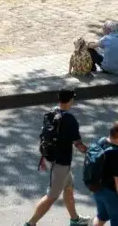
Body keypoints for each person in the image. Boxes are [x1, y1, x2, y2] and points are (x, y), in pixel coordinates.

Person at [26, 89, 87, 226]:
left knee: (68, 188)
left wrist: (43, 157)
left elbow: (45, 136)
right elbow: (78, 144)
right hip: (60, 163)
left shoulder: (49, 114)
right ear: (70, 100)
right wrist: (92, 151)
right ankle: (30, 223)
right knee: (51, 196)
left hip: (49, 158)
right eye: (73, 98)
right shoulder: (69, 119)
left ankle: (75, 220)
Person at [87, 120, 118, 226]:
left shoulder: (101, 141)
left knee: (101, 217)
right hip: (111, 194)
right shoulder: (117, 154)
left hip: (97, 188)